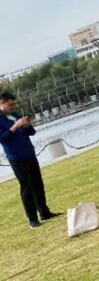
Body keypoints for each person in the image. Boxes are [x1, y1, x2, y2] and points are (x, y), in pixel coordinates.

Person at [0, 91, 60, 229]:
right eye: (10, 105)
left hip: (29, 153)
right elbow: (3, 138)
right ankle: (32, 220)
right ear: (2, 103)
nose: (13, 107)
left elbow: (31, 133)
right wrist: (16, 126)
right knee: (27, 188)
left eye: (14, 104)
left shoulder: (16, 115)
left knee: (38, 184)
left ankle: (45, 212)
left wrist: (27, 125)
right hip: (17, 158)